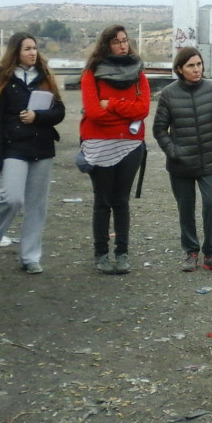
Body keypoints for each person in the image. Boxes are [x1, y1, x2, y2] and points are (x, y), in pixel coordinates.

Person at [0, 33, 65, 274]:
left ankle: (30, 256)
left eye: (35, 48)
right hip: (14, 147)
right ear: (16, 52)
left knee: (36, 205)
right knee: (11, 198)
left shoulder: (45, 77)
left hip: (41, 147)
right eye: (27, 49)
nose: (33, 52)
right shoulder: (3, 78)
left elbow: (59, 112)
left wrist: (38, 116)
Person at [153, 47, 212, 272]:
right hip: (181, 164)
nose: (196, 69)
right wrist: (174, 151)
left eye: (199, 64)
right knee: (185, 208)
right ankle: (191, 252)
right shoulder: (169, 94)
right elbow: (160, 129)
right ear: (180, 69)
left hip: (210, 161)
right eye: (191, 65)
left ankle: (211, 253)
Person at [80, 25, 150, 275]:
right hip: (99, 146)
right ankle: (101, 253)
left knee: (121, 202)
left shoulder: (138, 73)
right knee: (102, 202)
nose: (122, 45)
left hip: (130, 146)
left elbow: (143, 110)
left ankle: (122, 253)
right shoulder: (92, 73)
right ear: (106, 45)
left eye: (125, 41)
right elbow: (93, 113)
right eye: (116, 41)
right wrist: (122, 113)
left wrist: (111, 104)